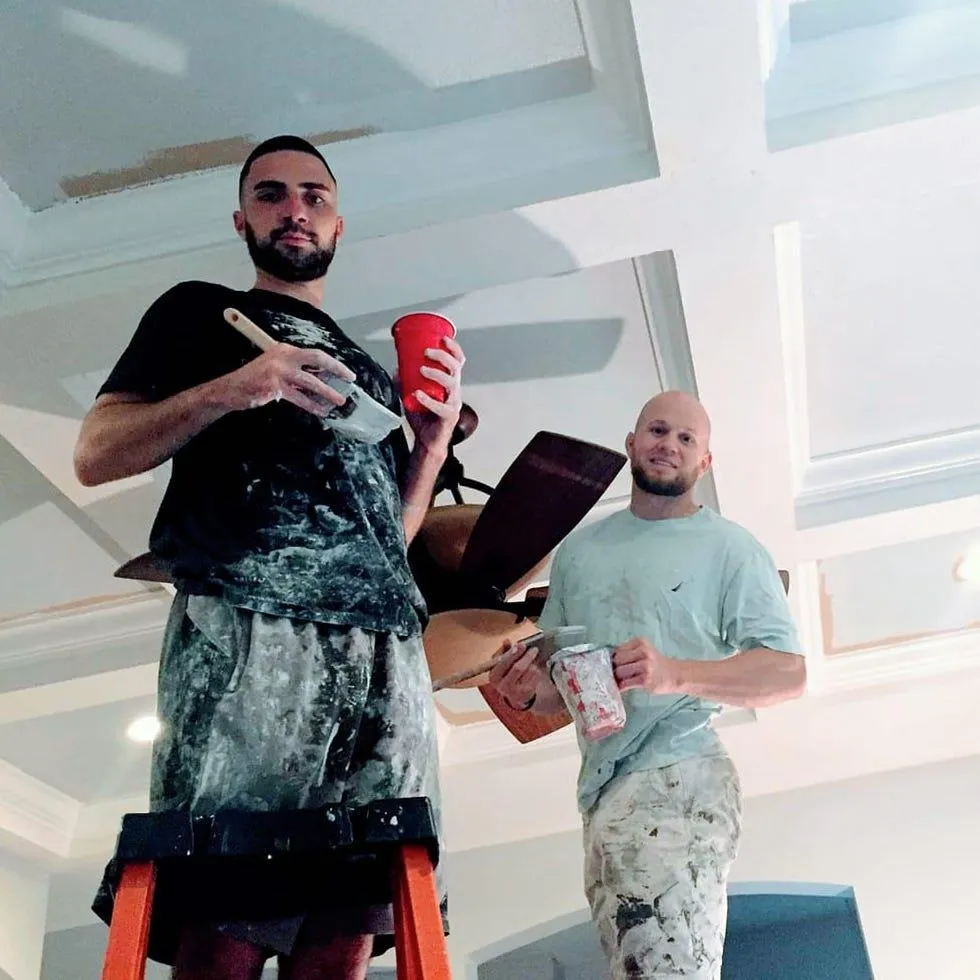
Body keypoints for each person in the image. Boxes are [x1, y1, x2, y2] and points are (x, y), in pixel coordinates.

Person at [74, 135, 464, 980]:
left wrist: (427, 448)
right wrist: (240, 385)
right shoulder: (200, 313)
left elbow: (382, 545)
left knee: (347, 923)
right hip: (254, 625)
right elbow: (95, 454)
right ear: (243, 218)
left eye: (313, 196)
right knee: (231, 906)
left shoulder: (370, 379)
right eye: (272, 194)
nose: (295, 209)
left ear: (338, 221)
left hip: (381, 647)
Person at [489, 390, 805, 980]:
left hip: (680, 774)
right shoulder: (581, 550)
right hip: (602, 791)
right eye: (658, 431)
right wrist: (527, 692)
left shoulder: (730, 549)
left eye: (688, 439)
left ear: (704, 465)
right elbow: (566, 683)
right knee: (638, 970)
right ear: (631, 443)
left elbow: (789, 672)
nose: (670, 445)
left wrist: (676, 673)